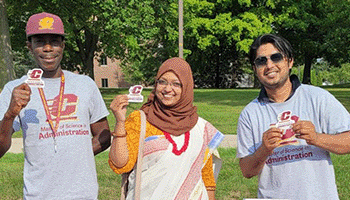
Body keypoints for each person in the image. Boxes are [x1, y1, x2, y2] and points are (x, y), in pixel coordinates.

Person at [0, 12, 111, 199]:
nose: (48, 48)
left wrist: (77, 156)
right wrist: (10, 115)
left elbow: (104, 135)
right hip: (39, 195)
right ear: (30, 46)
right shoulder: (15, 89)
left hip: (83, 195)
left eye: (55, 41)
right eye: (40, 41)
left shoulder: (85, 84)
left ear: (63, 45)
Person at [236, 33, 350, 199]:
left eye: (276, 58)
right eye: (261, 61)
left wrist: (316, 138)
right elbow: (246, 171)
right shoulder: (250, 113)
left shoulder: (317, 97)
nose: (269, 65)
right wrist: (264, 150)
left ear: (290, 61)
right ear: (255, 69)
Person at [108, 57, 223, 200]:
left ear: (186, 87)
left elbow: (207, 180)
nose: (168, 89)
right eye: (162, 82)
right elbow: (121, 165)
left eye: (176, 84)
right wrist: (120, 121)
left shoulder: (201, 128)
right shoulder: (139, 120)